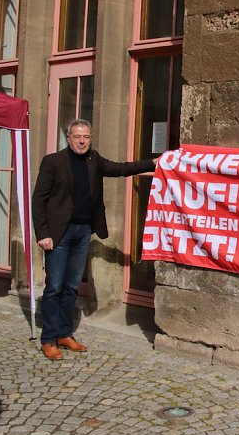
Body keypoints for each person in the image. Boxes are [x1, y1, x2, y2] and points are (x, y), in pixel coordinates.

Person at [32, 119, 156, 361]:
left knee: (71, 286)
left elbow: (121, 169)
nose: (82, 141)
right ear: (68, 137)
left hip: (83, 231)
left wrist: (152, 163)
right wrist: (43, 234)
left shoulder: (94, 159)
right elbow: (39, 200)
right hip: (59, 234)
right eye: (77, 136)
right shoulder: (53, 161)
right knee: (54, 286)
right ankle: (49, 338)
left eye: (86, 137)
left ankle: (64, 334)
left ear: (91, 138)